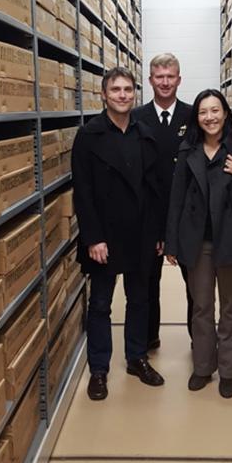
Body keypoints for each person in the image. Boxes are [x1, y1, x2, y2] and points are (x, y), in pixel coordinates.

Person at [164, 89, 232, 398]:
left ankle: (228, 371)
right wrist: (172, 243)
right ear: (196, 118)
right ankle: (202, 367)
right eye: (203, 112)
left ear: (225, 113)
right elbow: (177, 200)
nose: (209, 117)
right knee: (200, 307)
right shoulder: (189, 150)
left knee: (230, 308)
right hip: (197, 243)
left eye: (215, 110)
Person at [72, 67, 166, 401]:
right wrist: (93, 238)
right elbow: (82, 192)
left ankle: (136, 358)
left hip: (140, 232)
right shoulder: (89, 135)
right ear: (104, 94)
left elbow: (154, 189)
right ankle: (99, 369)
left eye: (128, 89)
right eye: (116, 90)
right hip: (105, 237)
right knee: (100, 304)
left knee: (140, 299)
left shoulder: (144, 133)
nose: (123, 95)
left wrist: (157, 233)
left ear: (135, 93)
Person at [131, 53, 194, 349]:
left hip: (187, 217)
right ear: (150, 80)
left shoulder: (194, 117)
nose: (165, 82)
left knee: (196, 287)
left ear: (179, 79)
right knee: (147, 283)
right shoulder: (135, 118)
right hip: (147, 217)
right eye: (159, 76)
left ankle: (200, 343)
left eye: (170, 76)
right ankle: (148, 338)